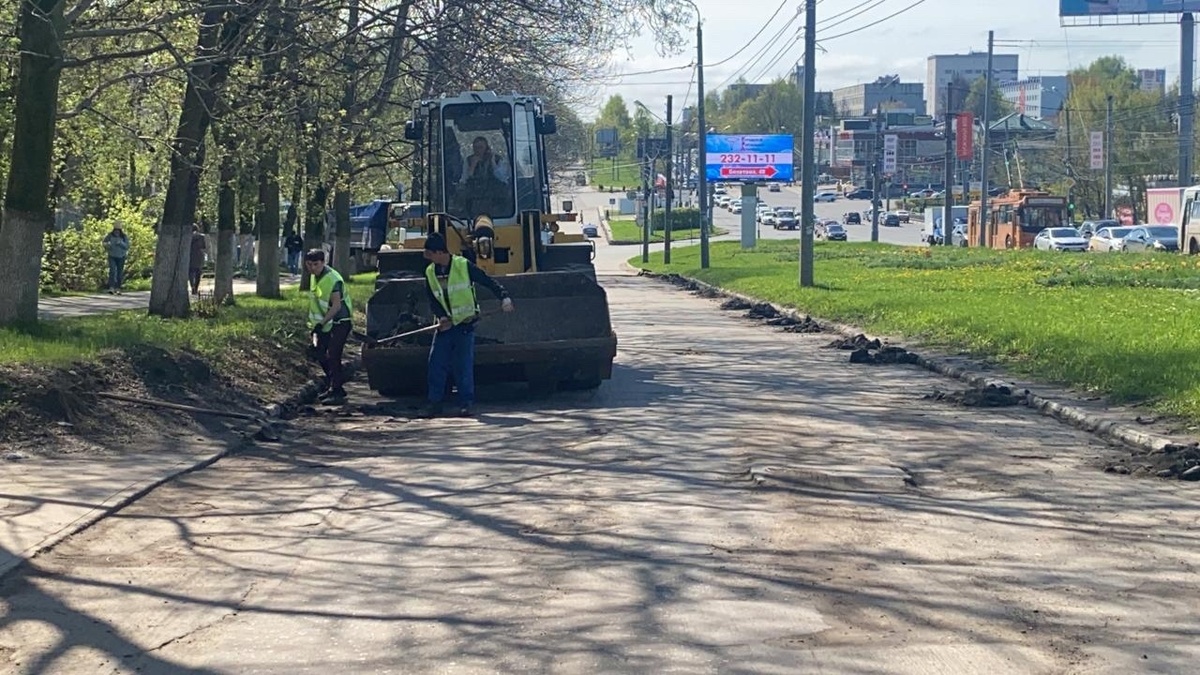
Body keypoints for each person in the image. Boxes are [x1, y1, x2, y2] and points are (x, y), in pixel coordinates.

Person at [420, 232, 514, 418]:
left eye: (429, 253)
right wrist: (441, 316)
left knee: (462, 366)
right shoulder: (430, 272)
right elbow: (433, 299)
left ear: (439, 252)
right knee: (436, 364)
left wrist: (504, 297)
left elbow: (487, 281)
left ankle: (465, 404)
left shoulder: (463, 266)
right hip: (446, 327)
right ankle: (434, 403)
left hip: (465, 324)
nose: (427, 257)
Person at [304, 249, 353, 404]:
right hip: (324, 323)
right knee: (320, 353)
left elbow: (336, 306)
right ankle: (335, 384)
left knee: (333, 354)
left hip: (340, 321)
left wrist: (321, 323)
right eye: (309, 264)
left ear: (323, 263)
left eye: (316, 264)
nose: (312, 268)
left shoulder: (333, 279)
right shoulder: (315, 277)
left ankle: (336, 390)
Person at [102, 224, 130, 294]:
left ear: (120, 231)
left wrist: (120, 243)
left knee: (119, 273)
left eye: (118, 231)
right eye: (115, 230)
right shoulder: (110, 235)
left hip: (121, 256)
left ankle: (118, 288)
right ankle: (111, 287)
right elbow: (104, 242)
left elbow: (127, 246)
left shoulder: (124, 237)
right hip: (112, 256)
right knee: (112, 271)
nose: (116, 232)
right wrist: (107, 245)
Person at [188, 224, 207, 295]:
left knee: (190, 272)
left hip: (190, 254)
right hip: (199, 255)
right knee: (198, 272)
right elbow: (203, 247)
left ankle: (192, 285)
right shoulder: (201, 236)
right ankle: (196, 287)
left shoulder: (188, 237)